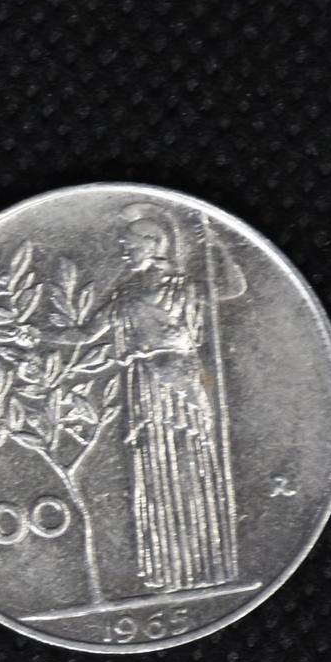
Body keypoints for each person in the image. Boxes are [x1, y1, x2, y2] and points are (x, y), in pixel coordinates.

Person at [108, 201, 244, 593]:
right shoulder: (125, 295)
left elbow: (234, 287)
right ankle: (168, 572)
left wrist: (217, 245)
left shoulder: (184, 287)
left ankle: (206, 566)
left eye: (130, 245)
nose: (124, 252)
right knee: (155, 469)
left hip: (182, 379)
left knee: (192, 462)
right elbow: (85, 333)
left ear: (154, 243)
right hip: (146, 386)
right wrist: (37, 334)